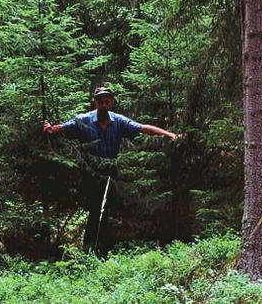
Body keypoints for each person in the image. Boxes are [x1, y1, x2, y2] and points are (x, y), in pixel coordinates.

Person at [43, 86, 181, 255]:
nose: (103, 104)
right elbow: (63, 128)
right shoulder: (84, 119)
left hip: (111, 173)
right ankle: (90, 251)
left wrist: (170, 135)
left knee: (107, 211)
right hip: (91, 174)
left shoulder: (118, 121)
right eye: (100, 100)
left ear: (111, 102)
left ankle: (103, 250)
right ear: (95, 102)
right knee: (96, 211)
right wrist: (50, 128)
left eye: (107, 100)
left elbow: (143, 128)